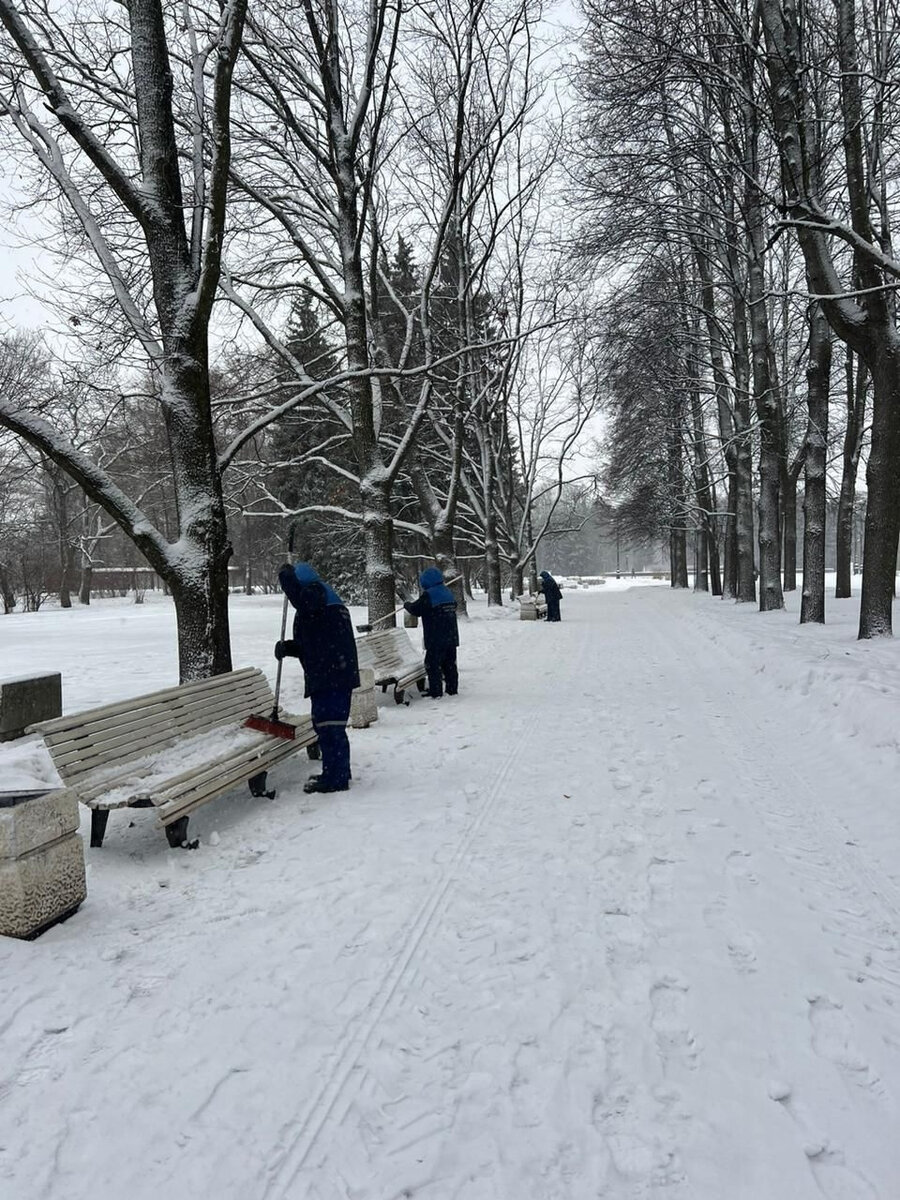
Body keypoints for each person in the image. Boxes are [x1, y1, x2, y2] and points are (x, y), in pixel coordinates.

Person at [276, 562, 360, 793]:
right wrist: (289, 648)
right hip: (333, 671)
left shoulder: (316, 592)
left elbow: (301, 601)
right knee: (327, 726)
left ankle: (336, 778)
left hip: (331, 674)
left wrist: (286, 578)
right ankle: (336, 771)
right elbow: (315, 642)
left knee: (330, 726)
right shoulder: (323, 602)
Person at [404, 566, 459, 698]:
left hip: (436, 637)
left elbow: (416, 610)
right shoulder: (447, 592)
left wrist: (407, 605)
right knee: (449, 664)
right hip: (451, 636)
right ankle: (452, 689)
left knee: (432, 664)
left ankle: (436, 691)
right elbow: (455, 606)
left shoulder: (430, 595)